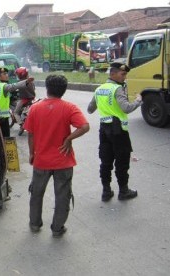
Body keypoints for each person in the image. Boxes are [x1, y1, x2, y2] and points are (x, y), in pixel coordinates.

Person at [24, 74, 90, 237]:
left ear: (47, 88)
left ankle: (34, 224)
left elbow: (30, 134)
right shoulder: (69, 107)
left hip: (41, 160)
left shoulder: (35, 108)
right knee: (63, 196)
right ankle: (57, 227)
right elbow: (85, 126)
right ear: (64, 90)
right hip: (63, 160)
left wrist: (32, 153)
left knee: (36, 193)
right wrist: (68, 138)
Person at [87, 62, 142, 201]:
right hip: (119, 131)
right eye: (122, 74)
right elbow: (126, 108)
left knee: (106, 161)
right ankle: (123, 192)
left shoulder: (99, 89)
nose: (125, 77)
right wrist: (138, 101)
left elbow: (90, 109)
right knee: (122, 162)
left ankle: (106, 192)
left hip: (104, 130)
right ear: (113, 74)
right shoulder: (117, 89)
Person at [0, 67, 34, 138]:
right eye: (4, 74)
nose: (7, 75)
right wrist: (26, 81)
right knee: (6, 138)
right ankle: (22, 125)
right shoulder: (4, 86)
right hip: (3, 118)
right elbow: (14, 86)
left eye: (7, 73)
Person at [12, 67, 36, 134]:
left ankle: (21, 125)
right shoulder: (31, 81)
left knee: (16, 112)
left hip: (24, 100)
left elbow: (15, 88)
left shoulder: (21, 83)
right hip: (32, 99)